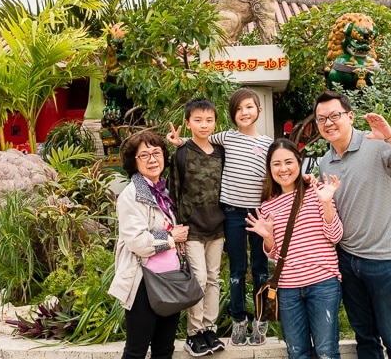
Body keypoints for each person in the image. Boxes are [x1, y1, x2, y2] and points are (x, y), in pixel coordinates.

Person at [313, 90, 391, 359]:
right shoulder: (325, 161)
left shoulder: (376, 144)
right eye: (321, 119)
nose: (328, 123)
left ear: (350, 116)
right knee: (365, 339)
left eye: (334, 115)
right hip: (347, 260)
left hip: (384, 260)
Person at [167, 88, 273, 346]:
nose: (244, 113)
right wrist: (180, 143)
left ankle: (263, 321)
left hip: (259, 215)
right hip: (232, 215)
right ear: (232, 115)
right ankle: (237, 322)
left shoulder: (268, 143)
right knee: (236, 270)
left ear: (259, 110)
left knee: (262, 269)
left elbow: (279, 172)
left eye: (249, 107)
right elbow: (198, 142)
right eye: (238, 109)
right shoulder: (227, 138)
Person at [245, 138, 343, 359]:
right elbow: (273, 253)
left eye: (288, 162)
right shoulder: (268, 204)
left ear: (299, 162)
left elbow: (335, 236)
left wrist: (327, 203)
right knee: (297, 352)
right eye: (276, 164)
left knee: (326, 351)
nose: (283, 169)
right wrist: (268, 238)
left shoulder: (317, 191)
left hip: (323, 283)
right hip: (288, 288)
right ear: (269, 168)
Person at [108, 130, 189, 359]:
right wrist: (172, 237)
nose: (152, 159)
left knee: (164, 350)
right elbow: (139, 242)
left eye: (156, 152)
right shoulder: (132, 195)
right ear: (134, 161)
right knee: (136, 350)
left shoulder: (162, 191)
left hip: (169, 280)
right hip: (143, 282)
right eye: (144, 155)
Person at [168, 98, 226, 356]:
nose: (204, 125)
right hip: (191, 228)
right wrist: (176, 227)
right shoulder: (180, 153)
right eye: (198, 120)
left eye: (209, 120)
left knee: (213, 278)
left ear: (215, 122)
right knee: (199, 278)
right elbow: (174, 191)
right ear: (188, 122)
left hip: (218, 226)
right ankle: (193, 333)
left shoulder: (221, 151)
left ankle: (209, 329)